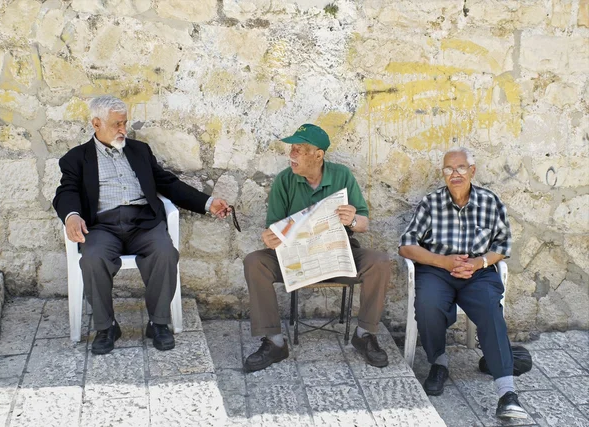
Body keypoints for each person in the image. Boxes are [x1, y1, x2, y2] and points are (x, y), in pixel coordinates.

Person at [53, 95, 230, 355]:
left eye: (125, 123)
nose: (123, 129)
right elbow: (65, 191)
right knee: (92, 257)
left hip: (143, 223)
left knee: (165, 253)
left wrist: (208, 203)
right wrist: (71, 216)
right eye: (117, 124)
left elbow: (167, 183)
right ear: (96, 124)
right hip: (102, 226)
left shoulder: (139, 151)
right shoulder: (76, 158)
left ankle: (158, 324)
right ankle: (106, 327)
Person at [243, 124, 391, 372]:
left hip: (338, 256)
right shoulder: (284, 180)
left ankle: (365, 335)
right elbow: (274, 228)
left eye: (299, 150)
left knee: (380, 262)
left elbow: (364, 222)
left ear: (318, 155)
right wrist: (270, 238)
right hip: (298, 259)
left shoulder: (342, 176)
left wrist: (352, 219)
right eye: (292, 149)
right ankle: (274, 342)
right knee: (254, 261)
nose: (292, 155)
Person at [398, 147, 528, 420]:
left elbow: (502, 246)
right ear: (443, 173)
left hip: (477, 273)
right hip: (437, 271)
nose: (454, 174)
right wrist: (443, 262)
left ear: (472, 171)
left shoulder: (490, 202)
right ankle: (439, 363)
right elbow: (406, 246)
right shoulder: (431, 202)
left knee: (491, 311)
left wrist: (479, 262)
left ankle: (507, 393)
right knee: (427, 303)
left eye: (460, 168)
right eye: (448, 168)